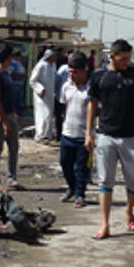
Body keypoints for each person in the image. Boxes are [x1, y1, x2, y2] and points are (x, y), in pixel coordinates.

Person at [85, 39, 134, 239]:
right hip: (106, 135)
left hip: (133, 135)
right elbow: (92, 104)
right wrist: (88, 133)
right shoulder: (99, 76)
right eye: (123, 59)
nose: (126, 62)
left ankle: (129, 210)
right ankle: (105, 225)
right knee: (105, 180)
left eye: (128, 58)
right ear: (112, 56)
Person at [58, 52, 92, 207]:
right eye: (70, 72)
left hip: (84, 135)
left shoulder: (90, 89)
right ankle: (71, 188)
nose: (72, 75)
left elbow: (97, 110)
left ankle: (80, 194)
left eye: (75, 72)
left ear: (84, 71)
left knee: (81, 167)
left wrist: (90, 133)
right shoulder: (67, 86)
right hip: (67, 133)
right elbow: (65, 106)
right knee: (65, 163)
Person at [0, 42, 21, 189]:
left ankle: (12, 178)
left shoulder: (5, 73)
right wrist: (4, 120)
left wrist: (13, 113)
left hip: (9, 114)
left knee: (14, 147)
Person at [29, 48, 58, 143]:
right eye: (54, 56)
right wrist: (40, 89)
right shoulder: (41, 65)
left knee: (49, 115)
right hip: (41, 95)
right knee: (42, 115)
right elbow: (33, 80)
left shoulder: (53, 65)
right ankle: (40, 135)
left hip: (50, 94)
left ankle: (47, 135)